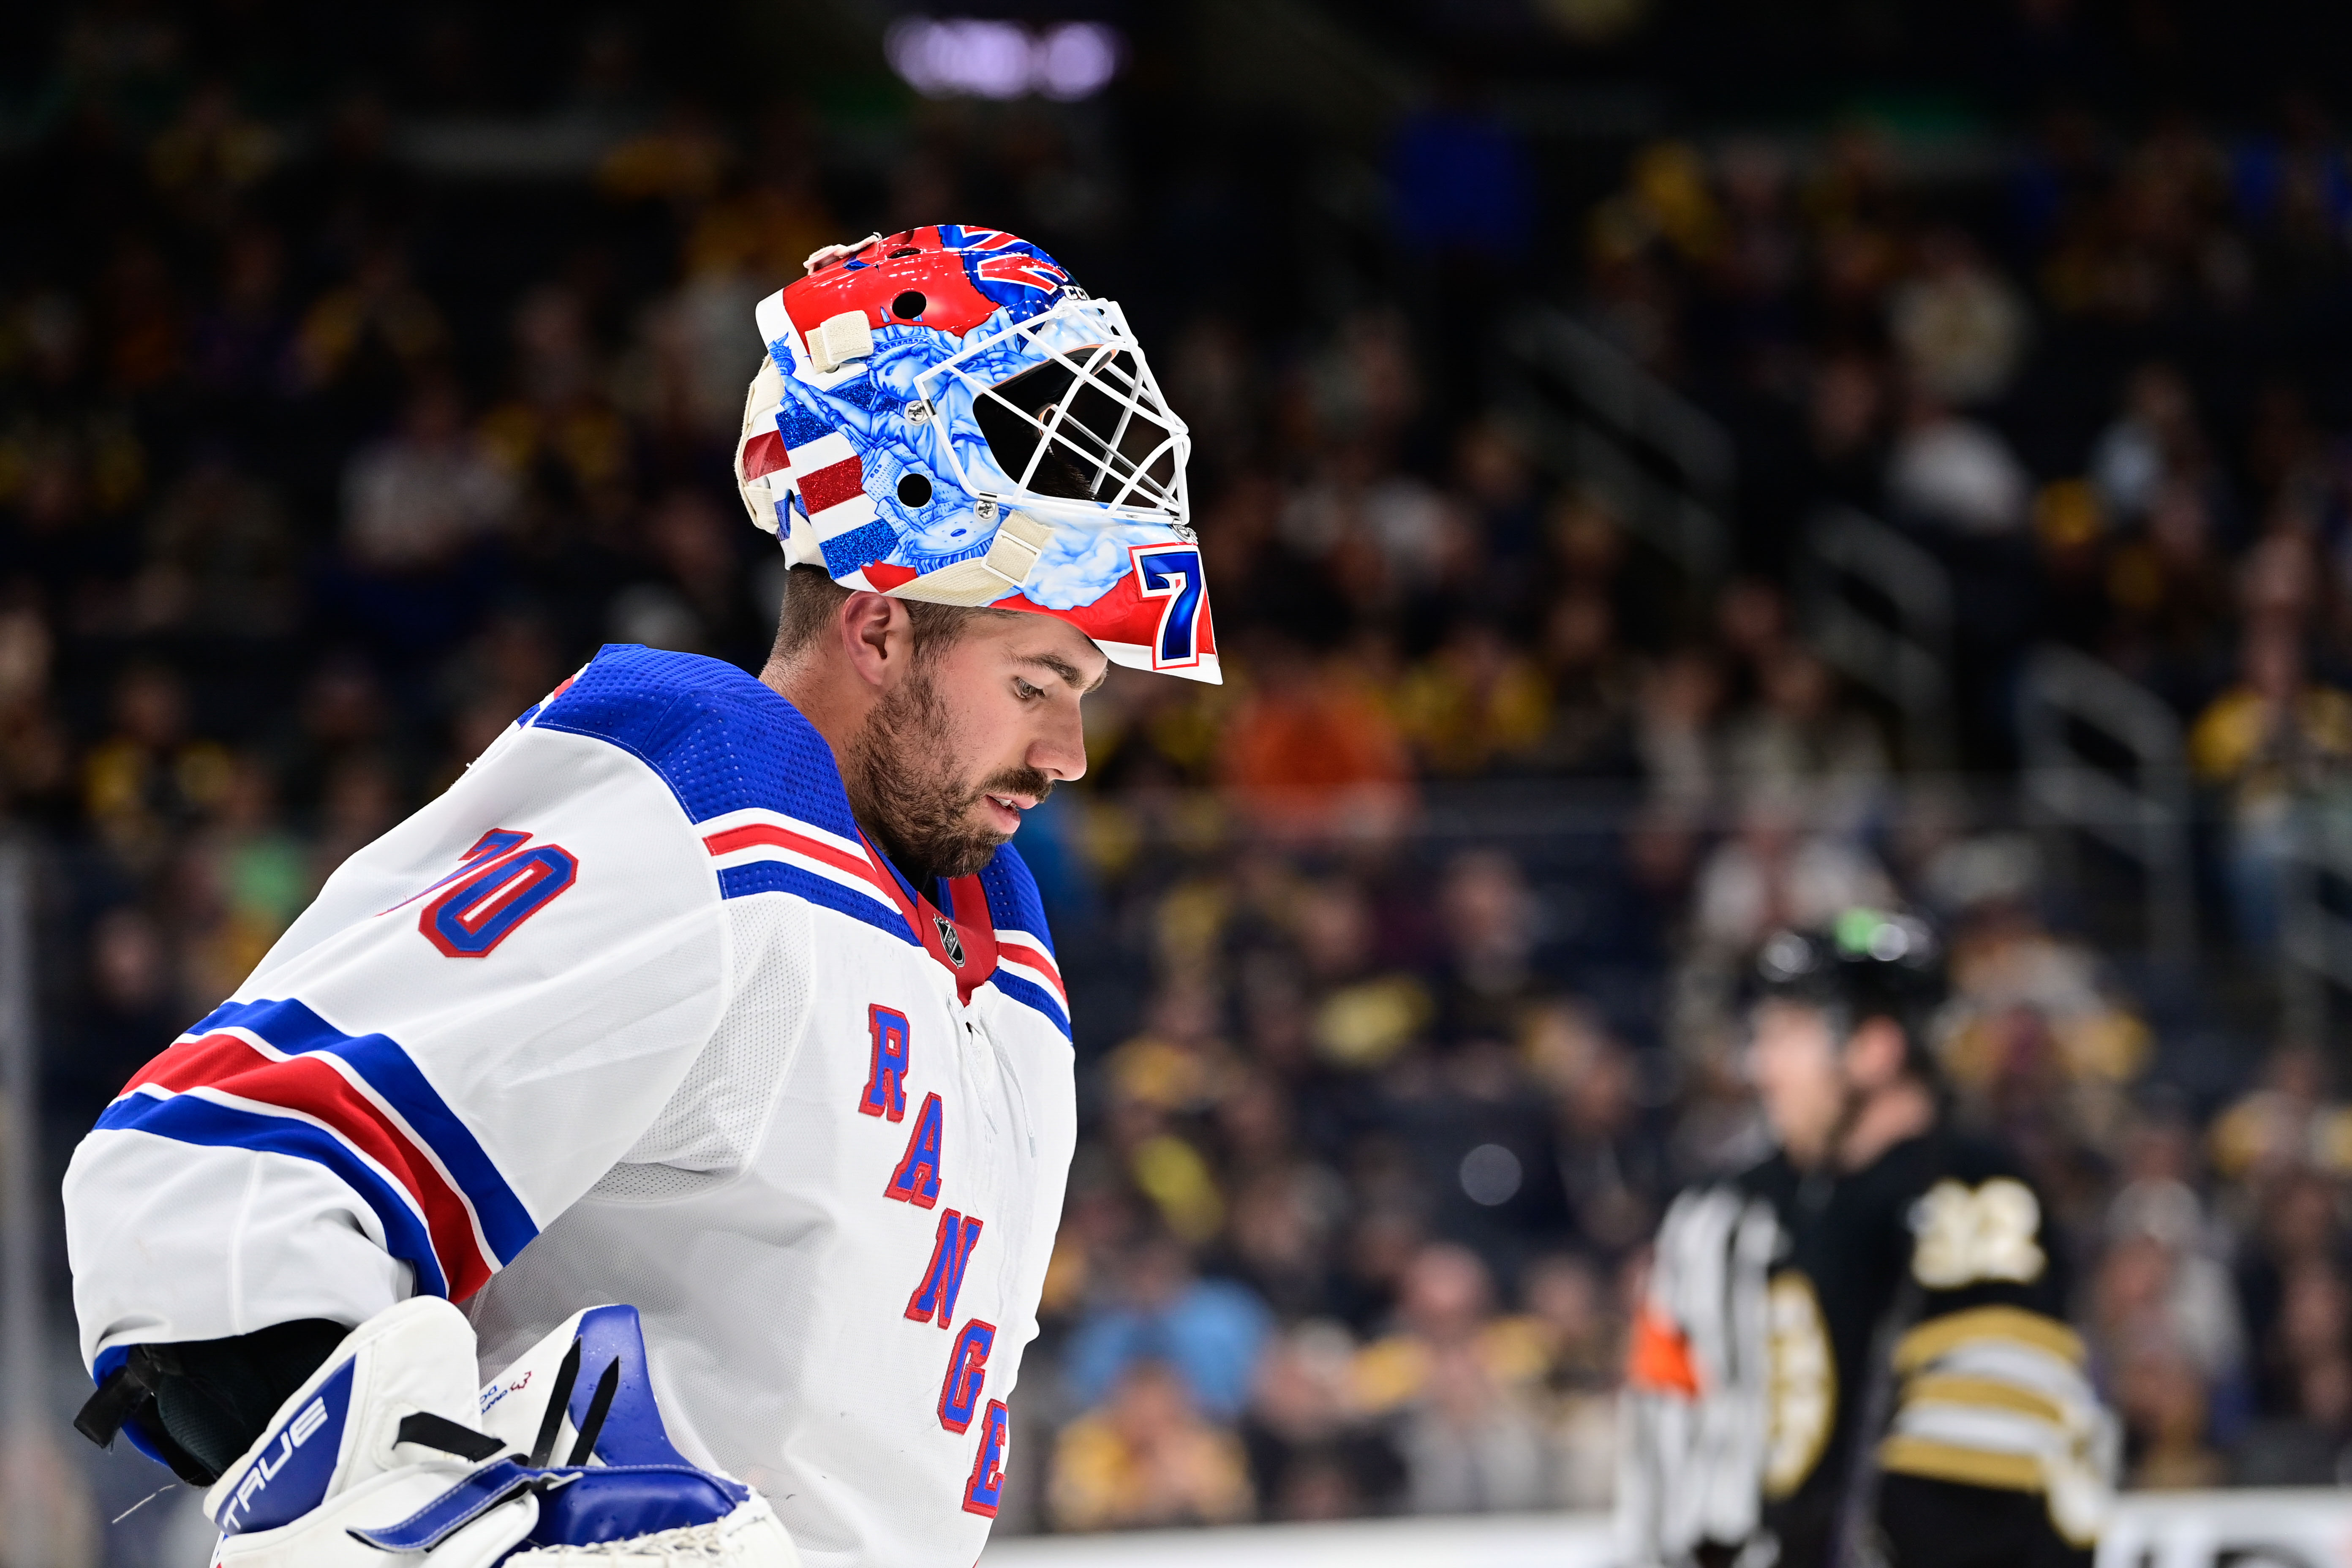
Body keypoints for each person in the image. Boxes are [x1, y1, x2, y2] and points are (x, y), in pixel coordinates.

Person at [61, 224, 1217, 1566]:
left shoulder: (1002, 935)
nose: (1071, 755)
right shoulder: (718, 799)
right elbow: (211, 1176)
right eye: (1037, 683)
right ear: (882, 623)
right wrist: (439, 1520)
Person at [1618, 909, 2113, 1568]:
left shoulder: (1970, 1195)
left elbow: (1978, 1485)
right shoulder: (1730, 1213)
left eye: (1788, 1035)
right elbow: (1668, 1428)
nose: (1763, 1068)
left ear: (1875, 1049)